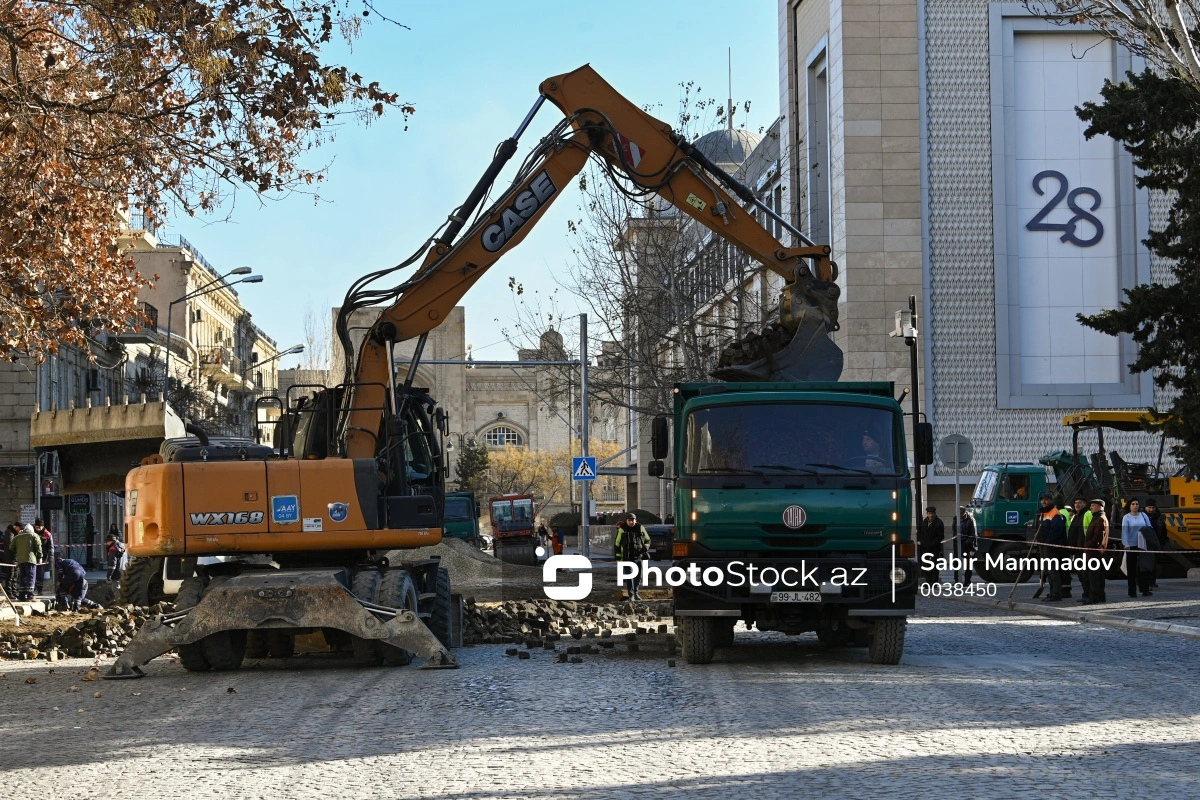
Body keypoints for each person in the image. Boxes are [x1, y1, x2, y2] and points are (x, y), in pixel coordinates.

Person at [1033, 493, 1067, 601]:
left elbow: (1055, 531)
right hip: (1043, 546)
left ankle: (1056, 594)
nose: (1044, 501)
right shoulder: (1043, 513)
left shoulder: (1055, 514)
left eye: (1046, 500)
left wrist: (1047, 543)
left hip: (1050, 547)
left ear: (1051, 501)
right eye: (1042, 500)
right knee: (1047, 570)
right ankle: (1052, 592)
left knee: (1053, 571)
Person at [1121, 498, 1153, 598]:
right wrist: (1126, 544)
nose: (1135, 506)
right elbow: (1124, 532)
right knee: (1131, 569)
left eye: (1137, 504)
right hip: (1131, 545)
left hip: (1143, 544)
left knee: (1144, 568)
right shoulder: (1126, 517)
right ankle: (1132, 591)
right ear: (1129, 506)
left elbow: (1149, 528)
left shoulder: (1143, 516)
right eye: (1133, 504)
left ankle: (1145, 589)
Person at [614, 513, 650, 600]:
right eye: (629, 520)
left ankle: (635, 592)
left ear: (635, 520)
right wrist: (618, 557)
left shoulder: (640, 528)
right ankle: (631, 595)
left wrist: (645, 547)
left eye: (632, 520)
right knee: (629, 577)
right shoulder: (622, 530)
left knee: (639, 576)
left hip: (638, 556)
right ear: (626, 521)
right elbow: (617, 544)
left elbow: (648, 540)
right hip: (626, 557)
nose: (631, 522)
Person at [1083, 499, 1109, 605]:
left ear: (1100, 507)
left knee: (1094, 575)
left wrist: (1088, 545)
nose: (1091, 508)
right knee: (1097, 575)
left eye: (1093, 505)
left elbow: (1098, 537)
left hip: (1095, 551)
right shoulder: (1097, 517)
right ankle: (1100, 595)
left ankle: (1094, 596)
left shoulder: (1100, 519)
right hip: (1094, 551)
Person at [7, 523, 42, 601]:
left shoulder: (17, 537)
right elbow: (38, 547)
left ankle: (22, 596)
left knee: (22, 578)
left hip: (20, 560)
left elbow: (11, 547)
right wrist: (40, 557)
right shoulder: (34, 535)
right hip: (31, 560)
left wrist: (19, 552)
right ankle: (30, 596)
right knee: (31, 577)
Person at [1066, 497, 1091, 601]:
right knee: (1081, 573)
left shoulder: (1087, 514)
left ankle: (1088, 594)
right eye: (1075, 503)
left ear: (1085, 504)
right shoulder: (1077, 515)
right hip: (1077, 550)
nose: (1077, 505)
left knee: (1085, 574)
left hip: (1084, 549)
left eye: (1080, 503)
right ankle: (1086, 593)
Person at [918, 507, 944, 584]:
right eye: (929, 513)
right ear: (927, 514)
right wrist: (922, 543)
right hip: (925, 547)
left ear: (935, 514)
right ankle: (928, 581)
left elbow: (940, 536)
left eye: (932, 513)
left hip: (934, 547)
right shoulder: (924, 522)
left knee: (935, 565)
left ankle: (934, 581)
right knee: (926, 564)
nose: (931, 515)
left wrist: (932, 544)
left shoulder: (939, 523)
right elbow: (922, 534)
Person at [33, 519, 54, 595]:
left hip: (43, 557)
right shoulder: (32, 532)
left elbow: (51, 547)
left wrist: (50, 558)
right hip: (33, 556)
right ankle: (32, 589)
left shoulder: (47, 534)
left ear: (43, 526)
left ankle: (39, 590)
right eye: (36, 527)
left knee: (40, 574)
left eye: (39, 527)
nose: (37, 528)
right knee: (32, 573)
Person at [958, 507, 977, 585]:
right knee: (957, 563)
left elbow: (973, 534)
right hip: (958, 544)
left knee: (967, 564)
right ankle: (957, 581)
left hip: (967, 545)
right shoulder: (956, 519)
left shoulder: (970, 520)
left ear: (964, 512)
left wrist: (967, 542)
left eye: (961, 513)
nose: (960, 515)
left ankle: (967, 581)